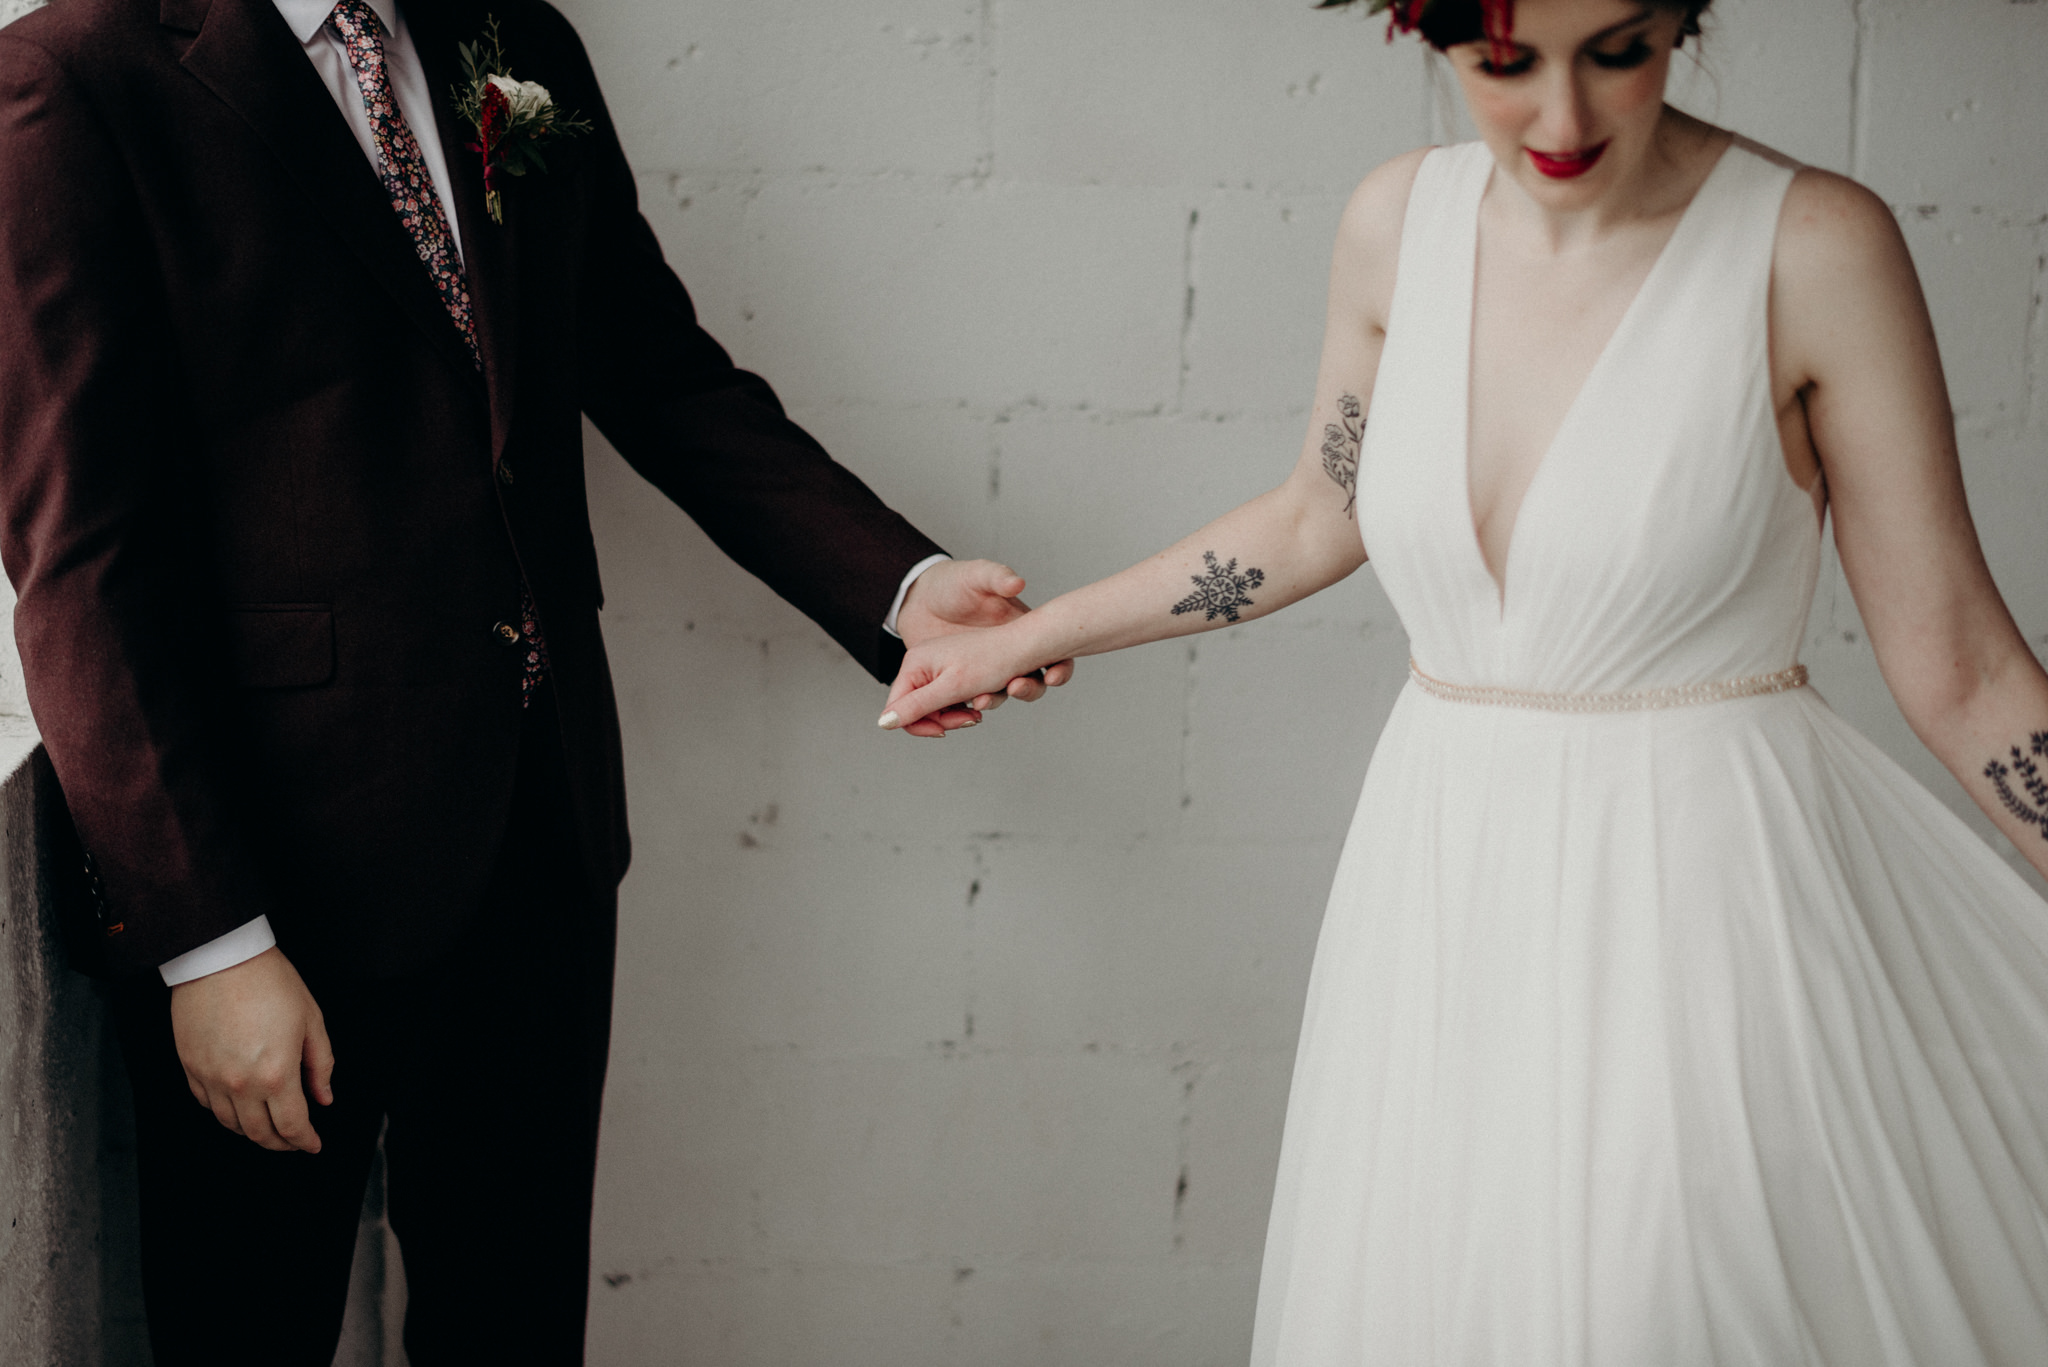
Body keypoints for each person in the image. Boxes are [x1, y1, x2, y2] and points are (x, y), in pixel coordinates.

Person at [883, 0, 2048, 1360]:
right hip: (1441, 896)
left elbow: (1963, 668)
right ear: (1423, 32)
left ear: (1683, 18)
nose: (1563, 120)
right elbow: (1319, 516)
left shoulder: (1812, 248)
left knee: (1663, 1305)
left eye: (1620, 51)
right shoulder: (1397, 223)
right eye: (1504, 65)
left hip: (1701, 909)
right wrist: (1029, 630)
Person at [0, 0, 1066, 1361]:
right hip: (273, 879)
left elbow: (661, 373)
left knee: (514, 1332)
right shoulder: (72, 76)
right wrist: (208, 943)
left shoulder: (511, 41)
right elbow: (83, 554)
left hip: (537, 833)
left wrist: (902, 590)